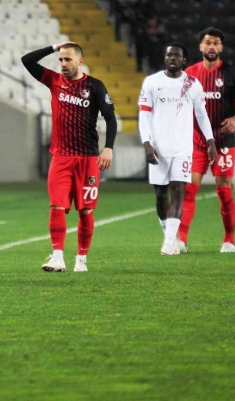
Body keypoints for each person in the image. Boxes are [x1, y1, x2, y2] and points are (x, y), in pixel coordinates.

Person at [21, 42, 117, 273]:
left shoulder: (95, 86)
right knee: (56, 207)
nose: (63, 64)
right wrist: (53, 47)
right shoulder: (54, 80)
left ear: (80, 61)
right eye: (61, 60)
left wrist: (109, 148)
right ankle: (57, 257)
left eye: (68, 60)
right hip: (61, 158)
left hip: (87, 159)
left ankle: (81, 260)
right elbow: (27, 60)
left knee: (85, 211)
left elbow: (110, 118)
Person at [138, 44, 217, 256]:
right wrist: (146, 143)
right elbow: (144, 115)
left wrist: (210, 141)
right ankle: (169, 236)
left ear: (184, 60)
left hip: (183, 148)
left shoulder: (193, 84)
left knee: (178, 192)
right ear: (164, 58)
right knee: (160, 196)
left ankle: (169, 242)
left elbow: (202, 115)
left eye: (177, 55)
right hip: (158, 149)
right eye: (169, 55)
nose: (173, 58)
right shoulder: (152, 82)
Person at [178, 28, 235, 253]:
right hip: (197, 143)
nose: (211, 46)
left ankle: (229, 239)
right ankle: (181, 240)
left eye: (216, 43)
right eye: (207, 42)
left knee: (224, 190)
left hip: (223, 143)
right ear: (200, 46)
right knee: (189, 189)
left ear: (221, 48)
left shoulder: (231, 74)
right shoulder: (188, 74)